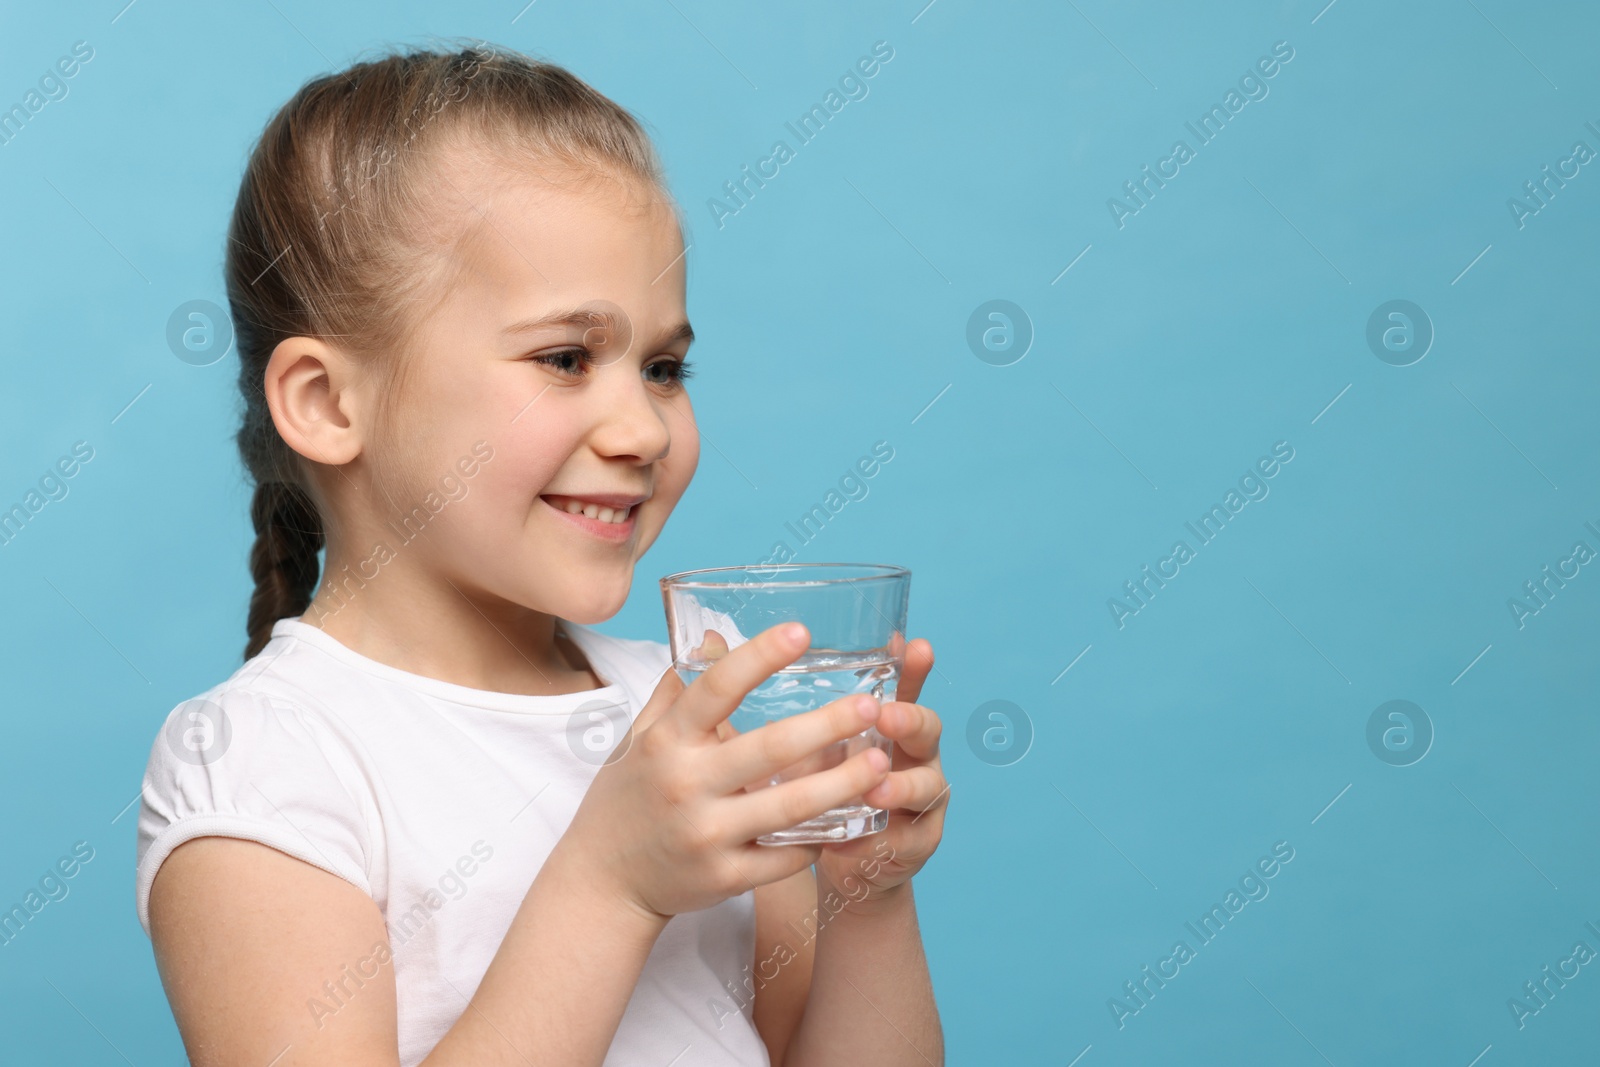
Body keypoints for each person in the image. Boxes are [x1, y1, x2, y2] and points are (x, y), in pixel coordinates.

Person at [134, 41, 950, 1067]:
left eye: (663, 366)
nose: (644, 430)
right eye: (565, 357)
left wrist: (864, 895)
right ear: (328, 402)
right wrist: (610, 883)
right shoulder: (267, 763)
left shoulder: (693, 711)